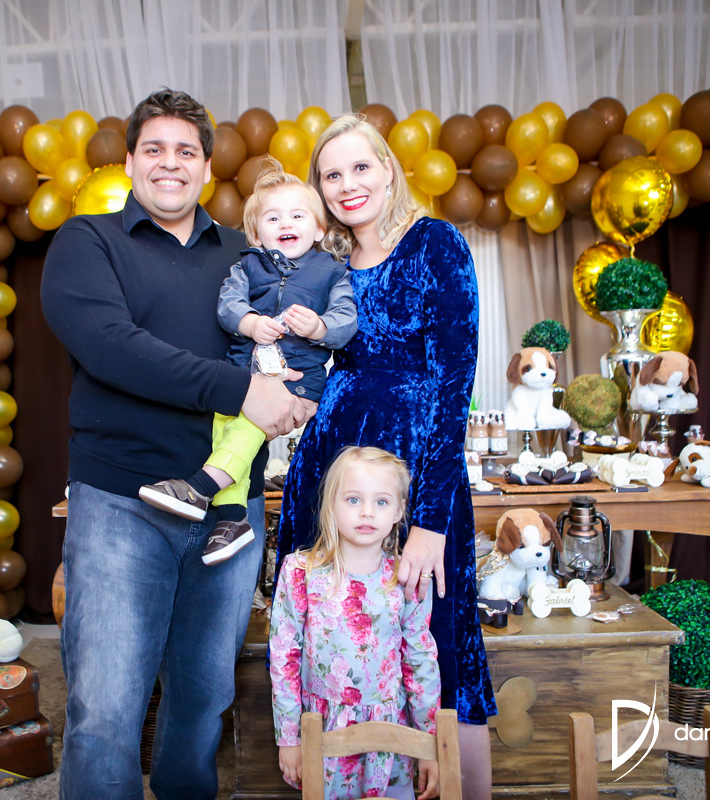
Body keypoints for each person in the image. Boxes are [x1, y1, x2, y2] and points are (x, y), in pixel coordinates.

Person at [40, 88, 313, 800]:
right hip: (121, 505)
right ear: (130, 161)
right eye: (154, 149)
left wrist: (302, 389)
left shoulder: (249, 254)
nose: (170, 163)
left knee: (202, 704)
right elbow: (111, 347)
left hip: (229, 511)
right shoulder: (87, 241)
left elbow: (306, 334)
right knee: (106, 712)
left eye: (186, 151)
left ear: (207, 168)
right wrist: (240, 391)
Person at [275, 114, 494, 799]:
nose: (348, 185)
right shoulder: (324, 264)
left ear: (389, 169)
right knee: (331, 642)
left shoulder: (435, 244)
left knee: (438, 639)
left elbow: (454, 388)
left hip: (414, 480)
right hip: (329, 476)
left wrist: (429, 521)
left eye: (360, 167)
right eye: (331, 175)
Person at [140, 162, 357, 565]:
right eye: (273, 218)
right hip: (246, 373)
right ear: (256, 234)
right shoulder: (246, 267)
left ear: (319, 229)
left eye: (297, 216)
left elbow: (346, 322)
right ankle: (232, 518)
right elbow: (228, 306)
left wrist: (319, 327)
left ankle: (200, 488)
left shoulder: (330, 272)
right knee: (224, 427)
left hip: (298, 382)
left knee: (248, 427)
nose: (285, 223)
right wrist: (251, 323)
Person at [269, 446, 441, 800]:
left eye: (381, 501)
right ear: (331, 504)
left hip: (392, 736)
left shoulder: (406, 578)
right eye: (353, 499)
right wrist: (289, 739)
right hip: (323, 733)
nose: (367, 512)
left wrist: (428, 742)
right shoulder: (300, 573)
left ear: (399, 510)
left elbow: (421, 661)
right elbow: (283, 659)